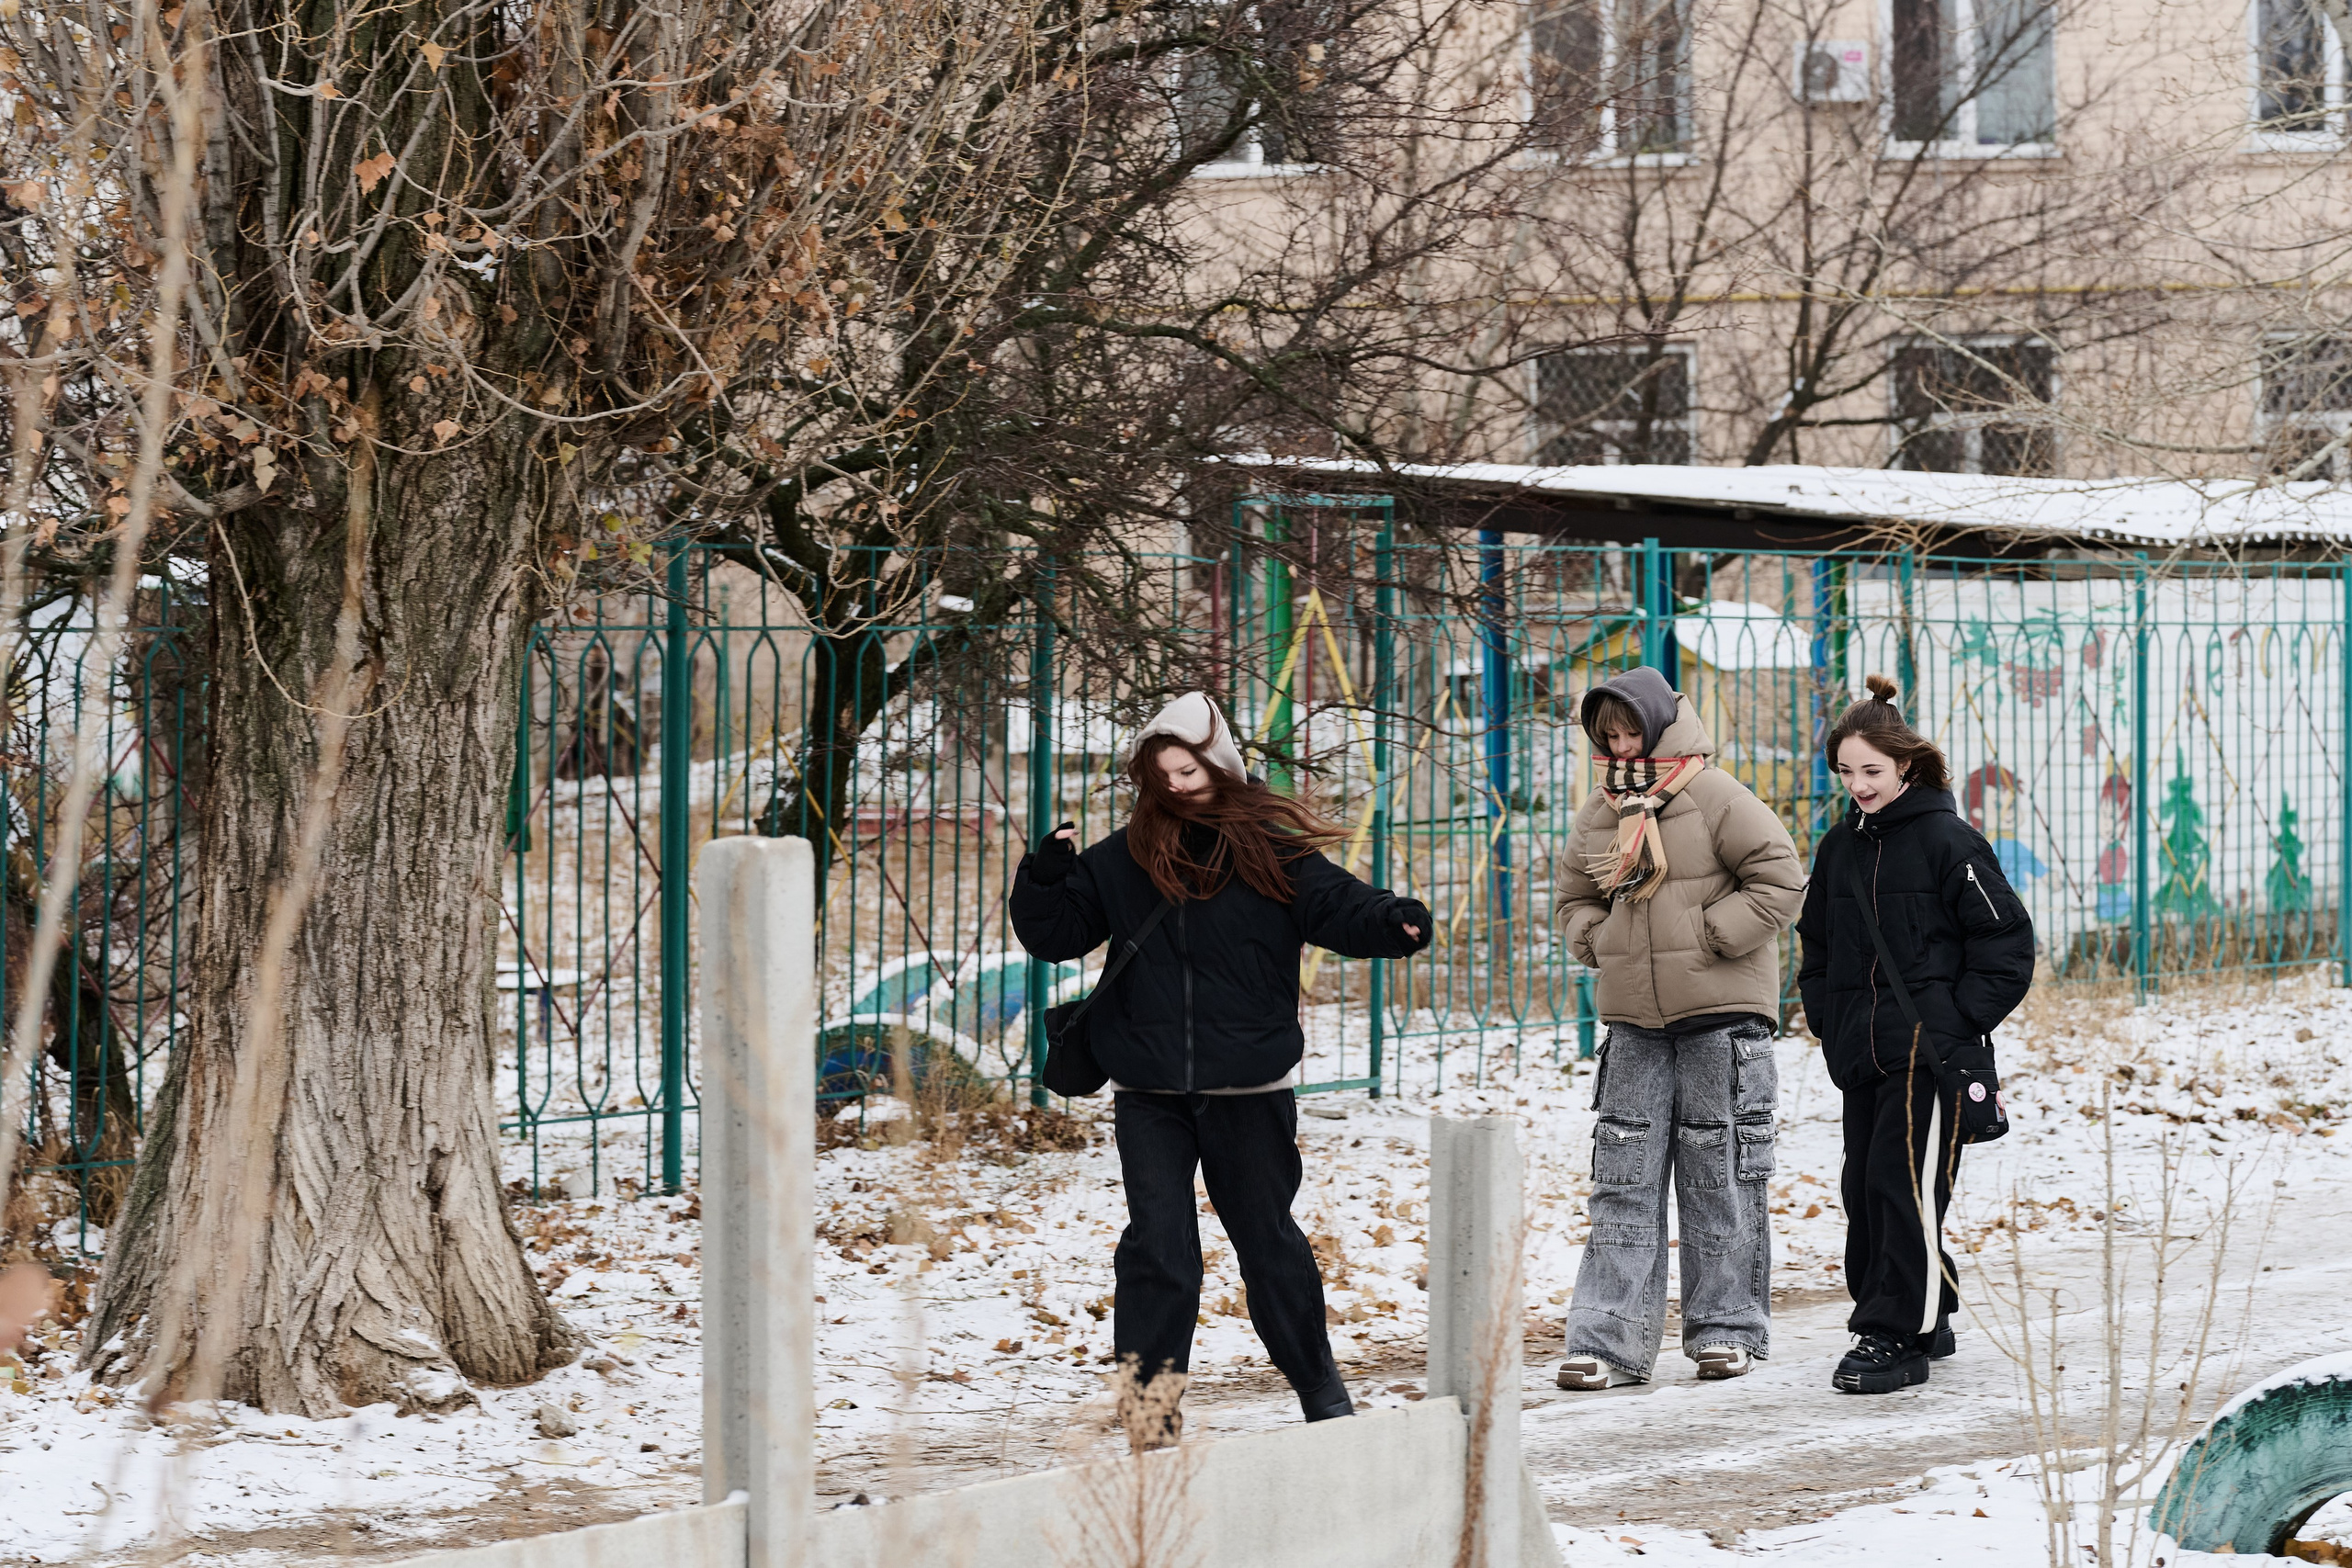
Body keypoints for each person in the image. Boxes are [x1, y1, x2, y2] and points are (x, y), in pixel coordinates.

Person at [1008, 693, 1432, 1440]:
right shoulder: (1125, 855)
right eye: (1162, 774)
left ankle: (1320, 1392)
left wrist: (1389, 919)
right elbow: (1059, 935)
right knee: (1159, 1249)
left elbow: (1335, 903)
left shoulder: (1270, 847)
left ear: (1220, 762)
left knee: (1268, 1243)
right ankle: (1149, 1411)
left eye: (1188, 770)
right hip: (1150, 1090)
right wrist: (1044, 878)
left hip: (1249, 1087)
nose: (1175, 786)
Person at [1551, 666, 1804, 1389]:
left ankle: (1727, 1330)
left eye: (1632, 731)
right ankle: (1607, 1341)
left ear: (1661, 726)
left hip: (1719, 1024)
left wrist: (1711, 935)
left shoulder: (1717, 795)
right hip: (1634, 1024)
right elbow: (1571, 895)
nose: (1623, 746)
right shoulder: (1602, 811)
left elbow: (1781, 878)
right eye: (1610, 736)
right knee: (1622, 1181)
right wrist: (1600, 940)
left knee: (1718, 1175)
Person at [1797, 675, 2034, 1394]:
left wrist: (1952, 1023)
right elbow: (1817, 951)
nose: (1859, 784)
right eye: (1846, 771)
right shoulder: (1840, 847)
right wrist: (1831, 1026)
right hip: (1862, 1053)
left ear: (1905, 764)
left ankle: (1894, 1334)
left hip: (1928, 1056)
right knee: (1864, 1191)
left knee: (1901, 1187)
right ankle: (1924, 1310)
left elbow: (2007, 943)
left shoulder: (1948, 839)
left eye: (1872, 770)